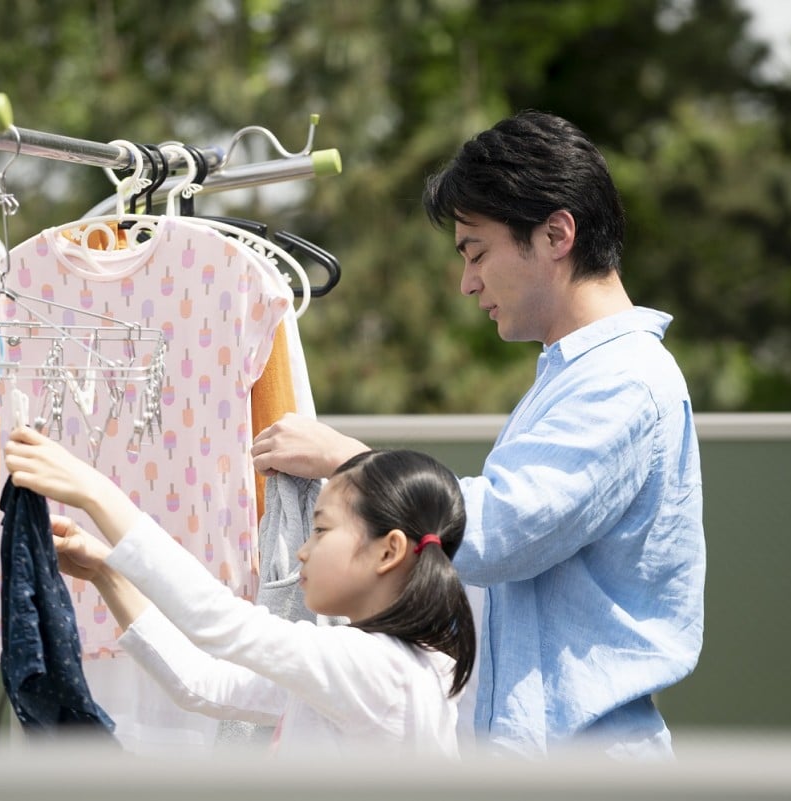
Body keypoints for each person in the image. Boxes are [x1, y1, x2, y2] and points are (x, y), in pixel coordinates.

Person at [250, 110, 705, 760]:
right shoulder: (573, 375)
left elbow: (502, 529)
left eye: (477, 251)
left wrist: (348, 460)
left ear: (556, 233)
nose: (467, 282)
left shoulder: (624, 379)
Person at [4, 425, 476, 758]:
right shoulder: (386, 666)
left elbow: (223, 624)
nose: (302, 552)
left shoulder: (377, 668)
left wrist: (95, 492)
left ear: (388, 550)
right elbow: (205, 684)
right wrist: (109, 574)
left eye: (321, 529)